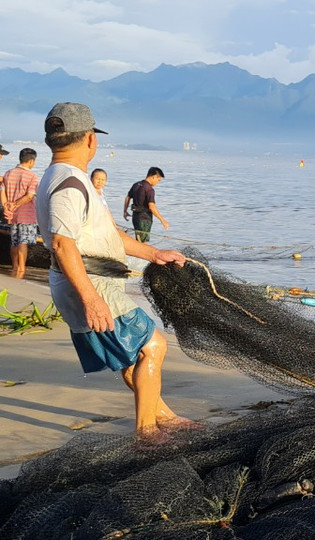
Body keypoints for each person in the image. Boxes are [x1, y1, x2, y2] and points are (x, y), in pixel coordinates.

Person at [35, 102, 197, 445]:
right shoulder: (69, 185)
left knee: (129, 354)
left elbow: (110, 235)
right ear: (91, 140)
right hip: (89, 283)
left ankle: (161, 415)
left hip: (88, 280)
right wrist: (91, 299)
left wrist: (155, 253)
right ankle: (146, 433)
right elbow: (63, 246)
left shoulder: (68, 179)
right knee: (153, 346)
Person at [1, 148, 39, 278]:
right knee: (23, 241)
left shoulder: (8, 173)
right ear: (31, 161)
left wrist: (7, 207)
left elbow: (2, 192)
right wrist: (16, 204)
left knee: (14, 241)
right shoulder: (32, 176)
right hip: (26, 214)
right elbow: (29, 196)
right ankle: (21, 269)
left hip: (12, 215)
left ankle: (15, 266)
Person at [123, 166, 169, 242]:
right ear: (153, 177)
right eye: (158, 180)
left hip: (135, 217)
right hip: (145, 219)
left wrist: (125, 211)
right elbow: (152, 206)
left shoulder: (136, 185)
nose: (158, 182)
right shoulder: (149, 189)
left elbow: (128, 197)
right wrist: (162, 220)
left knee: (138, 240)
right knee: (144, 243)